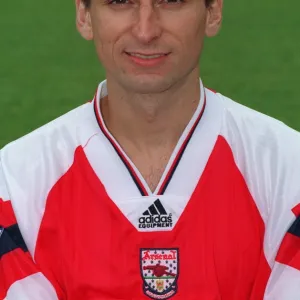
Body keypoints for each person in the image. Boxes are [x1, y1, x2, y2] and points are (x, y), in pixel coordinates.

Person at [0, 0, 299, 299]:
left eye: (171, 1)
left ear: (213, 12)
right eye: (120, 2)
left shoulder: (288, 170)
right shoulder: (15, 183)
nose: (146, 31)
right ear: (84, 15)